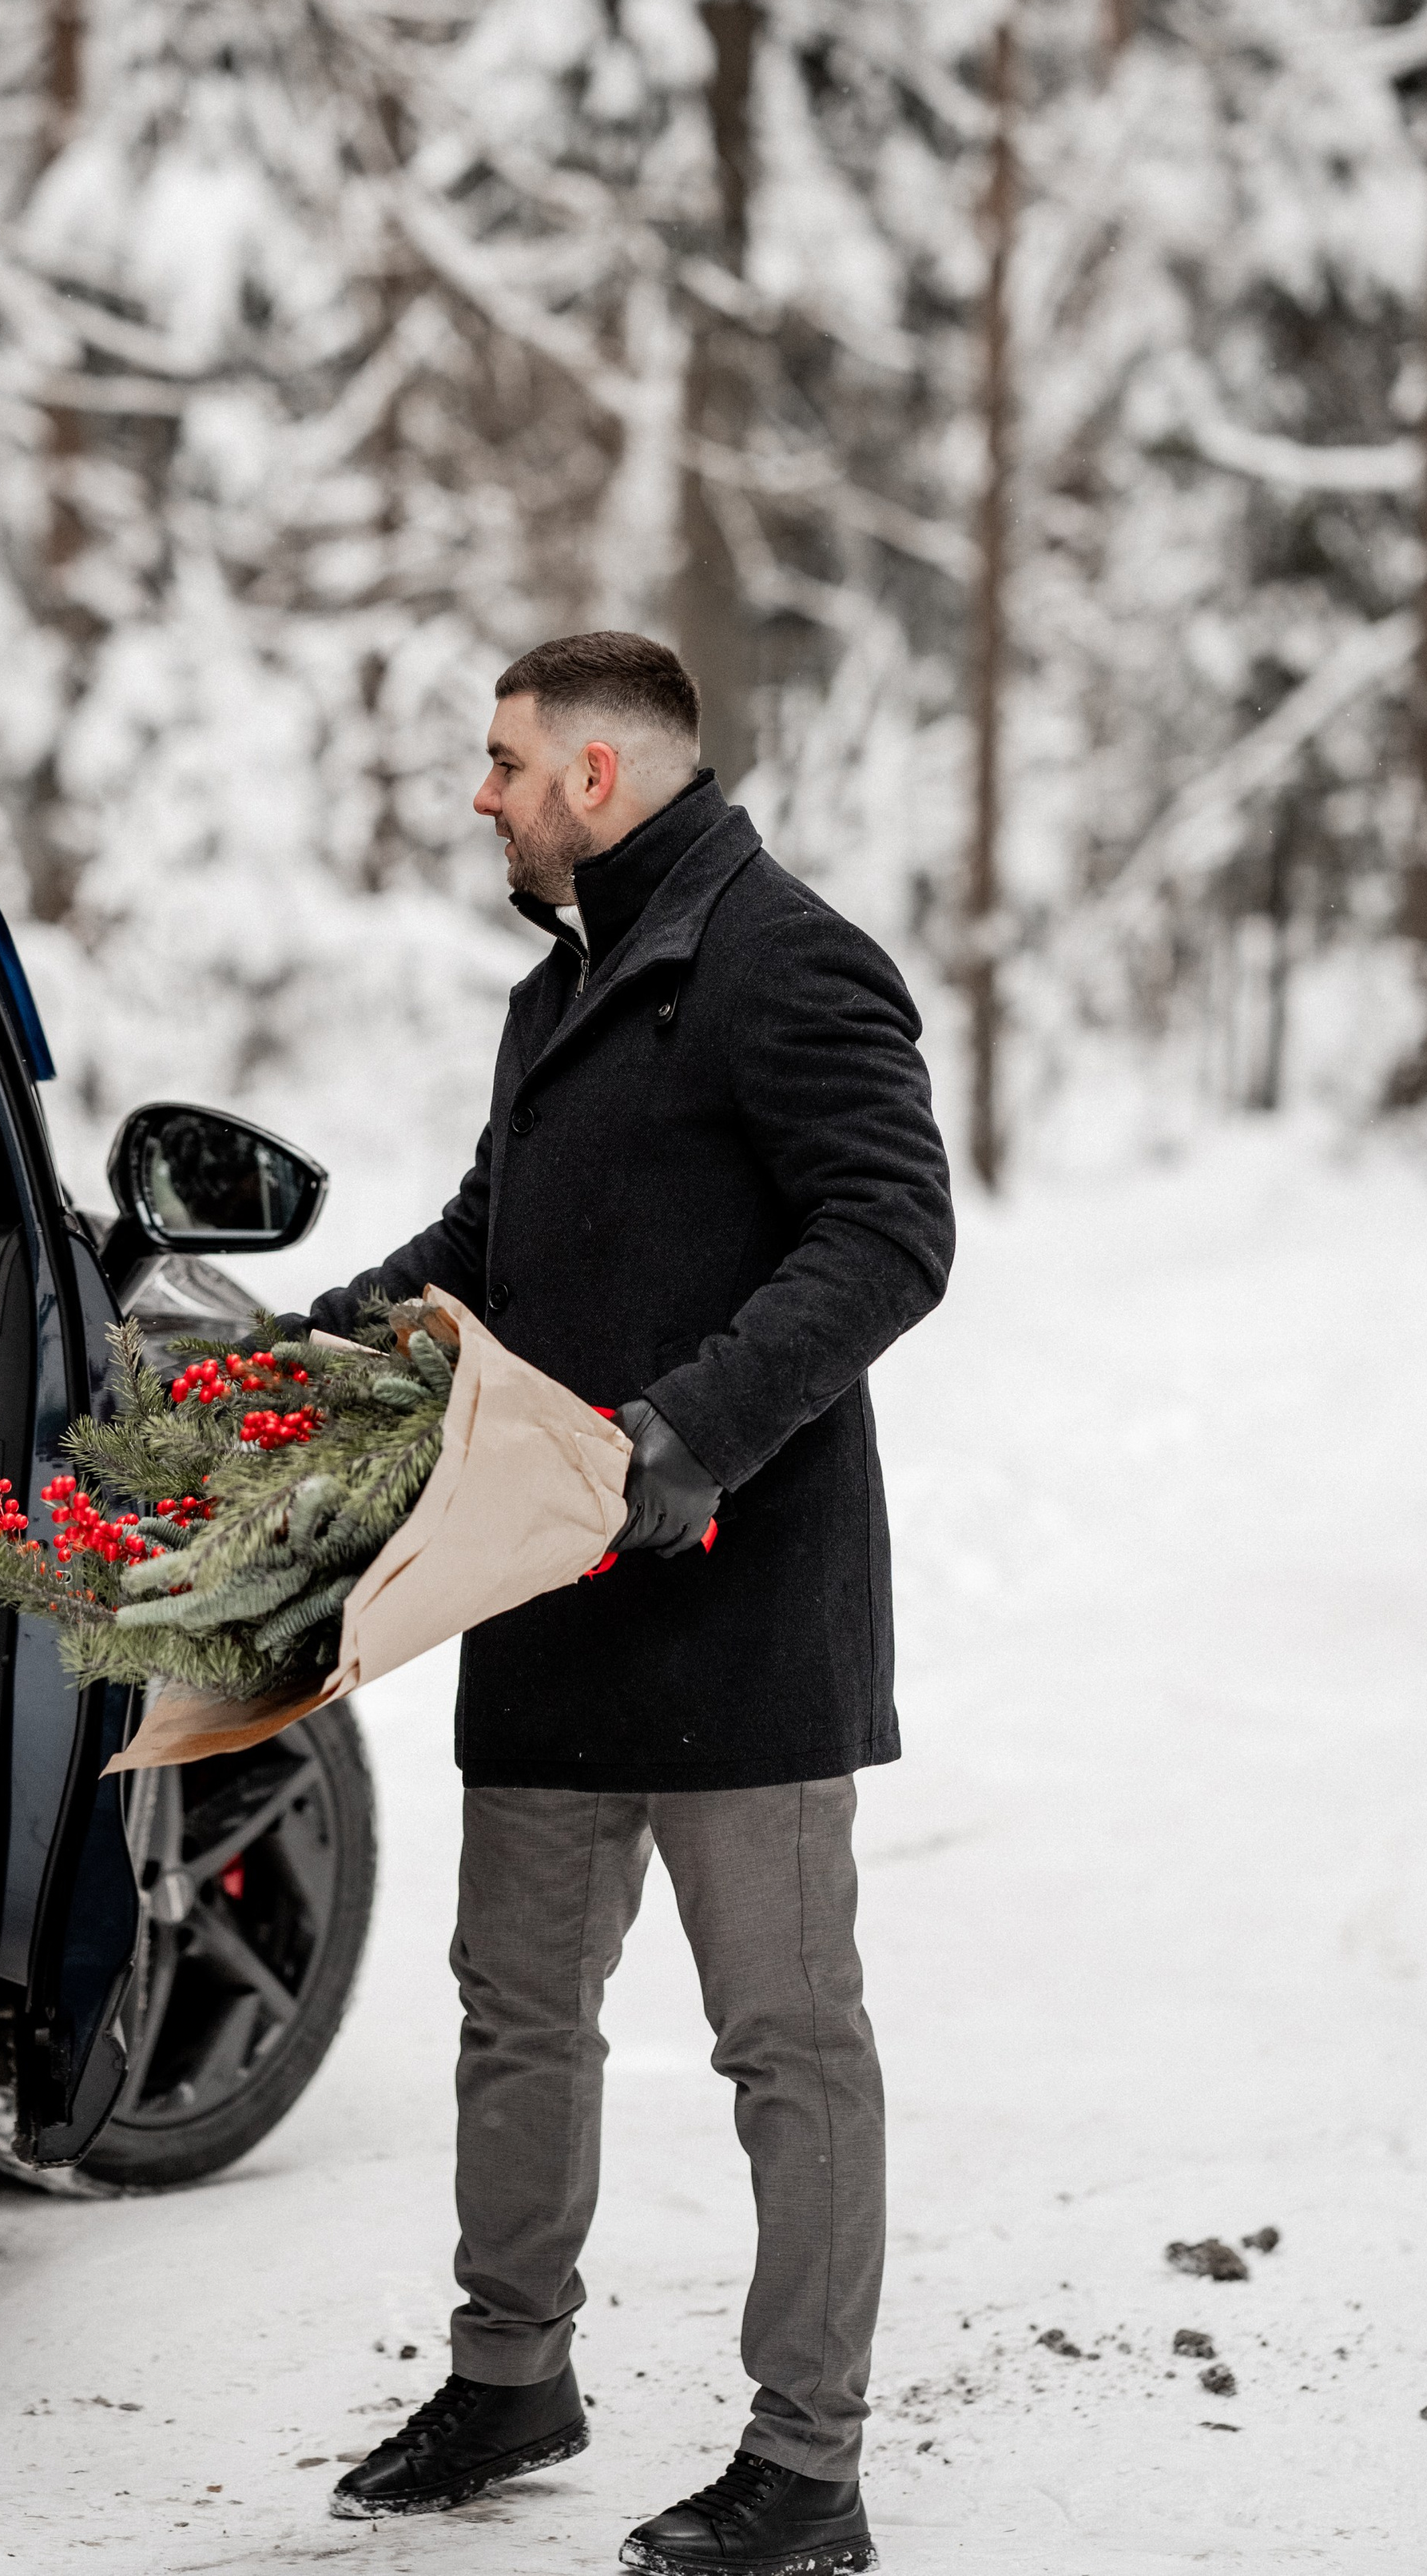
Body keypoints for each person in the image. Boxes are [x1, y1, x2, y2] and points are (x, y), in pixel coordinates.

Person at [294, 632, 954, 2576]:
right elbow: (484, 1243)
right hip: (546, 1587)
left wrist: (687, 1439)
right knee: (515, 2014)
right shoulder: (563, 989)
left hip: (734, 1598)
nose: (478, 795)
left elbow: (890, 1234)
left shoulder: (786, 962)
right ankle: (513, 2378)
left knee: (783, 2039)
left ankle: (807, 2467)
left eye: (501, 762)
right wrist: (305, 1359)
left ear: (596, 773)